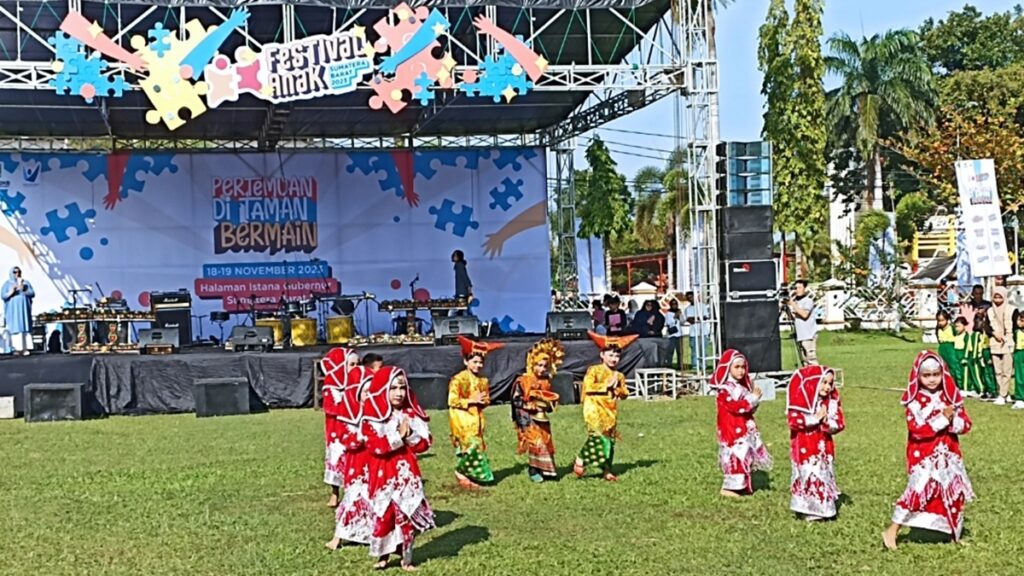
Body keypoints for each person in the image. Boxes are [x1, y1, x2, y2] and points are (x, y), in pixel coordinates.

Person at [882, 351, 974, 550]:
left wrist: (952, 420)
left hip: (949, 453)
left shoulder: (950, 396)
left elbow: (966, 424)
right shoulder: (914, 401)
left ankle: (953, 534)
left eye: (936, 374)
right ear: (918, 376)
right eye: (926, 375)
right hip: (924, 454)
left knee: (954, 493)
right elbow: (917, 430)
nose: (932, 380)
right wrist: (942, 419)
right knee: (918, 492)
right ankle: (892, 530)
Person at [361, 367, 435, 570]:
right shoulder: (373, 414)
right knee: (384, 515)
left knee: (406, 514)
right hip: (381, 472)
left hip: (406, 473)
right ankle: (383, 555)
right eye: (393, 388)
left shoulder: (411, 413)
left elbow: (425, 443)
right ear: (383, 389)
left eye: (402, 387)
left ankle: (406, 558)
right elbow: (374, 445)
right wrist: (398, 437)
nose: (399, 393)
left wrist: (410, 434)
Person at [574, 331, 636, 482]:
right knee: (597, 437)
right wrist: (606, 385)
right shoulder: (594, 370)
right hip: (593, 408)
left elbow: (625, 393)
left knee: (609, 441)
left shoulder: (619, 375)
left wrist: (617, 390)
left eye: (617, 356)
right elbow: (588, 387)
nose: (614, 359)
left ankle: (606, 470)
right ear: (602, 355)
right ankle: (581, 459)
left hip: (610, 411)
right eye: (611, 355)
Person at [326, 361, 375, 550]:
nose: (369, 395)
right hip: (357, 464)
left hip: (375, 464)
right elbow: (346, 438)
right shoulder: (348, 414)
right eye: (366, 391)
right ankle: (338, 537)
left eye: (373, 391)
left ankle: (372, 533)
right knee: (353, 497)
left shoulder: (379, 412)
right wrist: (362, 437)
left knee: (374, 499)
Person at [710, 349, 772, 497]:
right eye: (736, 367)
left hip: (744, 426)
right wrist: (752, 399)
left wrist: (754, 400)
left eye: (743, 367)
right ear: (728, 368)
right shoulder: (724, 390)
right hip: (731, 427)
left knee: (746, 454)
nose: (741, 371)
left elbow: (748, 409)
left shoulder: (743, 387)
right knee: (735, 454)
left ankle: (743, 485)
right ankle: (729, 487)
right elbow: (735, 407)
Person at [787, 365, 845, 521]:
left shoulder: (830, 402)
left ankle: (823, 509)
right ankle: (808, 508)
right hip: (805, 445)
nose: (827, 387)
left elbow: (839, 423)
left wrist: (827, 422)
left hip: (824, 446)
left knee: (823, 474)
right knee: (809, 473)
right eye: (823, 382)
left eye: (830, 383)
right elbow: (793, 421)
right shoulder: (802, 400)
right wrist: (815, 419)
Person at [448, 336, 503, 488]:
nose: (478, 365)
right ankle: (463, 472)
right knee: (472, 447)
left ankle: (466, 475)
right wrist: (471, 400)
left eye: (481, 362)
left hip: (477, 421)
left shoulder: (482, 381)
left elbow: (485, 401)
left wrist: (483, 401)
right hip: (462, 420)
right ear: (466, 361)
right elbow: (452, 400)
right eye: (475, 362)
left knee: (473, 447)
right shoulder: (458, 379)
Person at [511, 338, 565, 482]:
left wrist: (549, 404)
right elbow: (516, 399)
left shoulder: (546, 381)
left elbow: (548, 400)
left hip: (541, 417)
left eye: (544, 366)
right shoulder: (523, 381)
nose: (541, 369)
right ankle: (533, 470)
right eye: (538, 365)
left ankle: (546, 471)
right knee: (536, 442)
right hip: (527, 418)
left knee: (546, 441)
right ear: (532, 364)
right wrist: (528, 405)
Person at [320, 347, 360, 508]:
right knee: (337, 460)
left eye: (357, 364)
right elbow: (331, 408)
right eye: (351, 364)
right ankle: (335, 492)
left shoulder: (359, 384)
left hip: (355, 429)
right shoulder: (331, 387)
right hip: (338, 430)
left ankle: (354, 493)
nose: (355, 368)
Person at [987, 286, 1016, 406]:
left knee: (1007, 370)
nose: (997, 299)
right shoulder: (989, 311)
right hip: (994, 341)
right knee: (997, 370)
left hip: (1008, 341)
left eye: (1000, 297)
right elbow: (986, 326)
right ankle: (1003, 393)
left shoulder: (1012, 310)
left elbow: (1016, 326)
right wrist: (994, 333)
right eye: (995, 296)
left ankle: (1002, 395)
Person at [2, 267, 35, 356]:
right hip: (13, 312)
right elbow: (3, 296)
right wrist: (11, 291)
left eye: (19, 272)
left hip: (24, 310)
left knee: (25, 327)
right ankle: (16, 348)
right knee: (15, 329)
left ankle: (25, 348)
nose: (17, 274)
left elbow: (32, 293)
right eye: (15, 272)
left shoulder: (26, 283)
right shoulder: (7, 284)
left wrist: (24, 289)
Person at [787, 280, 819, 366]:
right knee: (804, 362)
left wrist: (792, 304)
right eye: (796, 288)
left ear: (805, 289)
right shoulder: (797, 302)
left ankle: (817, 376)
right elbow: (795, 318)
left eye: (800, 288)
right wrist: (787, 308)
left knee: (811, 359)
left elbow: (805, 315)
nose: (797, 290)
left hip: (809, 335)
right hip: (801, 335)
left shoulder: (808, 301)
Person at [683, 291, 708, 371]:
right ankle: (695, 365)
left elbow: (705, 317)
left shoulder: (703, 306)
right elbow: (689, 320)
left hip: (703, 332)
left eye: (691, 297)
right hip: (693, 333)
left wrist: (695, 318)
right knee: (694, 350)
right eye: (688, 298)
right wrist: (697, 318)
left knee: (703, 349)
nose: (690, 299)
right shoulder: (687, 309)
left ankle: (703, 365)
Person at [935, 311, 958, 386]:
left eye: (942, 320)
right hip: (942, 348)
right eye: (939, 320)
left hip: (951, 348)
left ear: (947, 319)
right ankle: (945, 383)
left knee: (953, 367)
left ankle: (954, 383)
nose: (940, 322)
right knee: (942, 366)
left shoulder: (952, 328)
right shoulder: (938, 329)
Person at [664, 298, 683, 369]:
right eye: (673, 304)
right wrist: (675, 317)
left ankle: (680, 365)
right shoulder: (668, 313)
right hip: (672, 335)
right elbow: (669, 323)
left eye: (676, 304)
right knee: (670, 351)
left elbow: (682, 321)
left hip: (679, 334)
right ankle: (669, 364)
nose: (674, 305)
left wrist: (680, 315)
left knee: (680, 351)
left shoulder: (679, 312)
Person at [1012, 310, 1024, 410]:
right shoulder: (1016, 332)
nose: (1020, 322)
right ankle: (1020, 398)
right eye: (1019, 319)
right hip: (1019, 353)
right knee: (1019, 376)